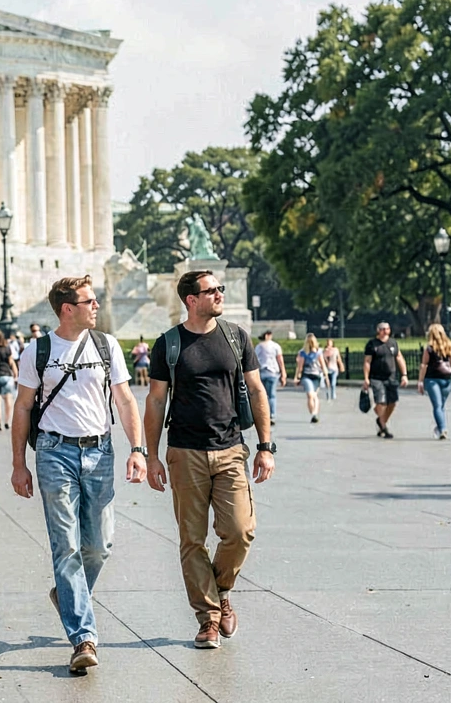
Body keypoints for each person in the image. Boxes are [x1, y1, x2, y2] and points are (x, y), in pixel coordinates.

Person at [10, 276, 147, 674]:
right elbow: (22, 408)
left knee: (99, 545)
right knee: (66, 546)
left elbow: (124, 399)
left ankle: (68, 594)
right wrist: (19, 463)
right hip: (54, 451)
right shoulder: (38, 351)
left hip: (100, 450)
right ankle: (83, 637)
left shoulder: (106, 346)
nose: (96, 306)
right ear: (67, 308)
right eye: (89, 301)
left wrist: (136, 449)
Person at [143, 270, 275, 650]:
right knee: (192, 539)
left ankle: (221, 589)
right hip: (185, 452)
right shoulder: (169, 344)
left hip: (231, 448)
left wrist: (266, 446)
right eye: (211, 290)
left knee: (240, 530)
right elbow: (155, 401)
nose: (219, 294)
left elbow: (255, 388)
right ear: (191, 299)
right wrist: (151, 456)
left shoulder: (236, 338)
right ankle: (208, 618)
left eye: (220, 289)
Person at [361, 322, 408, 438]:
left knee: (392, 402)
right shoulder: (372, 344)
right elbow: (367, 361)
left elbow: (399, 357)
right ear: (378, 330)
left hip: (391, 377)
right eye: (382, 329)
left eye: (387, 329)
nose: (385, 331)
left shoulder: (393, 343)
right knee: (381, 402)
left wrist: (404, 374)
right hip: (376, 377)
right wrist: (366, 378)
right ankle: (383, 425)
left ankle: (381, 421)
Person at [417, 323, 451, 439]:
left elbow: (424, 365)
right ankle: (440, 427)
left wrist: (420, 381)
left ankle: (442, 429)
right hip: (447, 380)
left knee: (437, 406)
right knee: (441, 405)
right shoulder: (449, 347)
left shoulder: (429, 349)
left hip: (432, 380)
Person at [293, 333, 327, 423]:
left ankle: (314, 413)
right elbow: (300, 367)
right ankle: (313, 413)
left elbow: (323, 365)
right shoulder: (303, 353)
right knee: (310, 395)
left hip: (316, 375)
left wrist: (326, 375)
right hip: (307, 375)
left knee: (315, 396)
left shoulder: (319, 352)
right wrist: (297, 377)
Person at [253, 331, 285, 424]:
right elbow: (280, 360)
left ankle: (261, 415)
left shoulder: (259, 346)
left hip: (261, 371)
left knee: (261, 395)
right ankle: (272, 415)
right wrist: (283, 373)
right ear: (268, 336)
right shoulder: (275, 346)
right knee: (271, 395)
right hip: (272, 372)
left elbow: (254, 360)